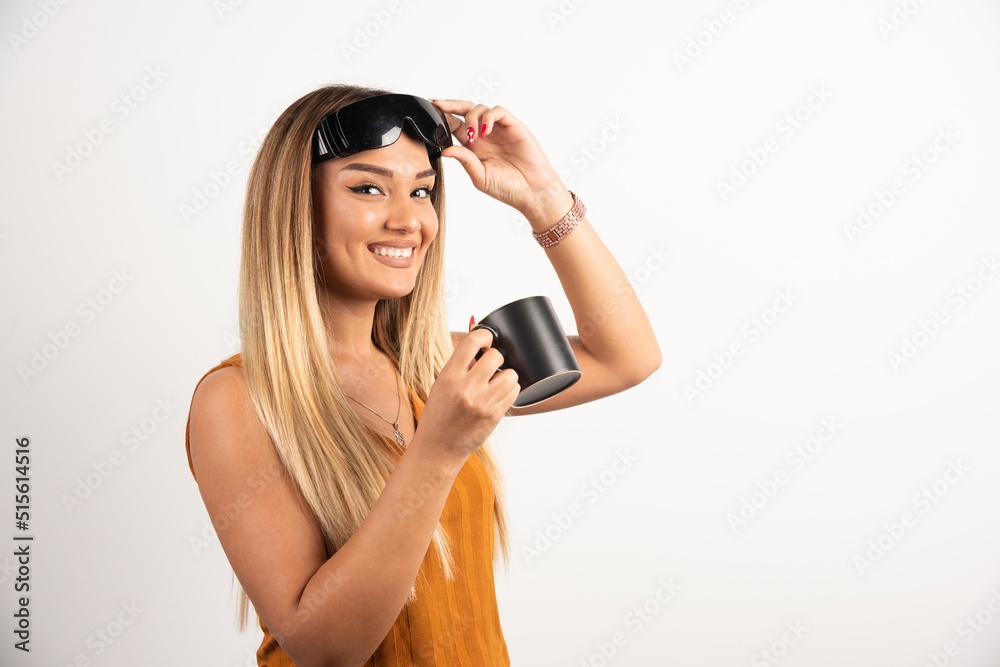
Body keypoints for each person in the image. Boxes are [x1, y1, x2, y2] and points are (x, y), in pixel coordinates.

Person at [184, 84, 661, 666]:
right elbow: (323, 649)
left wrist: (544, 198)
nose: (409, 220)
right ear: (296, 207)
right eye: (367, 188)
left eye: (423, 191)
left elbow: (626, 356)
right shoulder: (237, 400)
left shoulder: (437, 364)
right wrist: (437, 449)